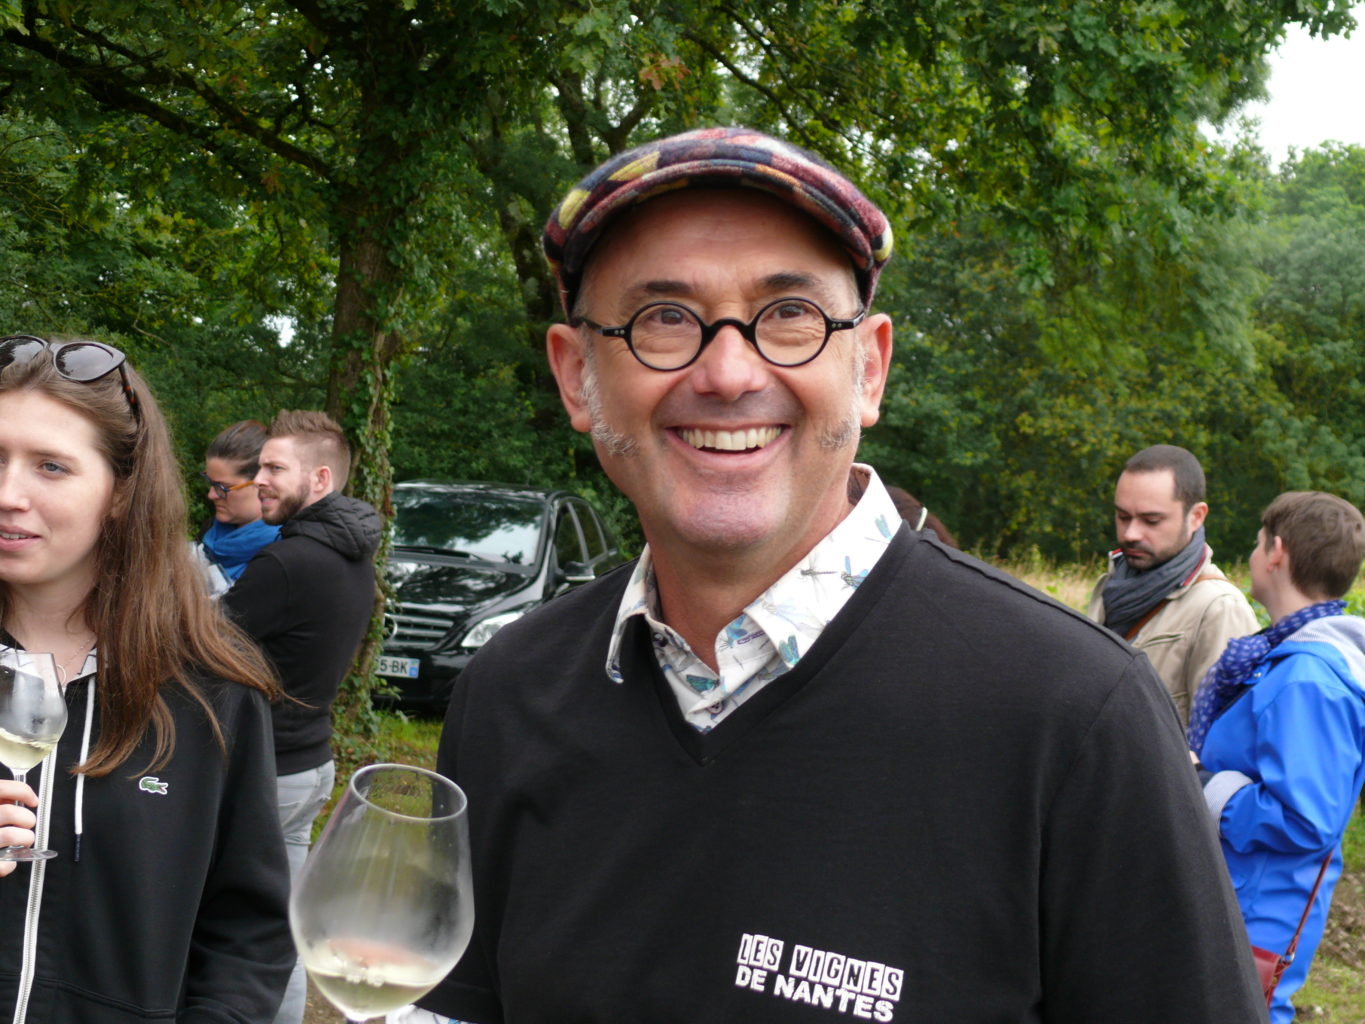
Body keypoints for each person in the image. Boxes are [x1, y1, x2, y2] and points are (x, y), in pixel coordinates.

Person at [414, 127, 1265, 1022]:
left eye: (789, 313)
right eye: (663, 316)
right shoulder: (508, 693)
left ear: (869, 368)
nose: (728, 373)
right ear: (575, 377)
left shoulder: (1075, 715)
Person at [0, 334, 291, 1020]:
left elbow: (246, 937)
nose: (8, 494)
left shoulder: (210, 689)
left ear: (121, 491)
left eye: (50, 466)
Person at [221, 409, 380, 1024]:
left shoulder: (287, 563)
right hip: (311, 764)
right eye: (260, 466)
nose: (258, 479)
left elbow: (200, 646)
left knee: (226, 925)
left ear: (319, 480)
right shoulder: (354, 556)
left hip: (263, 771)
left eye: (274, 468)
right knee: (278, 927)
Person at [1190, 491, 1365, 1024]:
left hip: (1254, 923)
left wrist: (1205, 786)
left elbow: (1306, 818)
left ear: (1277, 552)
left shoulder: (1308, 680)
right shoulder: (1284, 660)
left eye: (1256, 542)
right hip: (1234, 905)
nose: (1250, 554)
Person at [1087, 444, 1260, 724]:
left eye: (1151, 520)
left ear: (1196, 517)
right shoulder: (1109, 585)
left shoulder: (1219, 609)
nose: (1131, 534)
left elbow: (1223, 736)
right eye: (1123, 517)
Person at [193, 419, 280, 596]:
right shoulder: (209, 531)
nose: (211, 495)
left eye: (223, 487)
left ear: (262, 483)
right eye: (211, 483)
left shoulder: (282, 555)